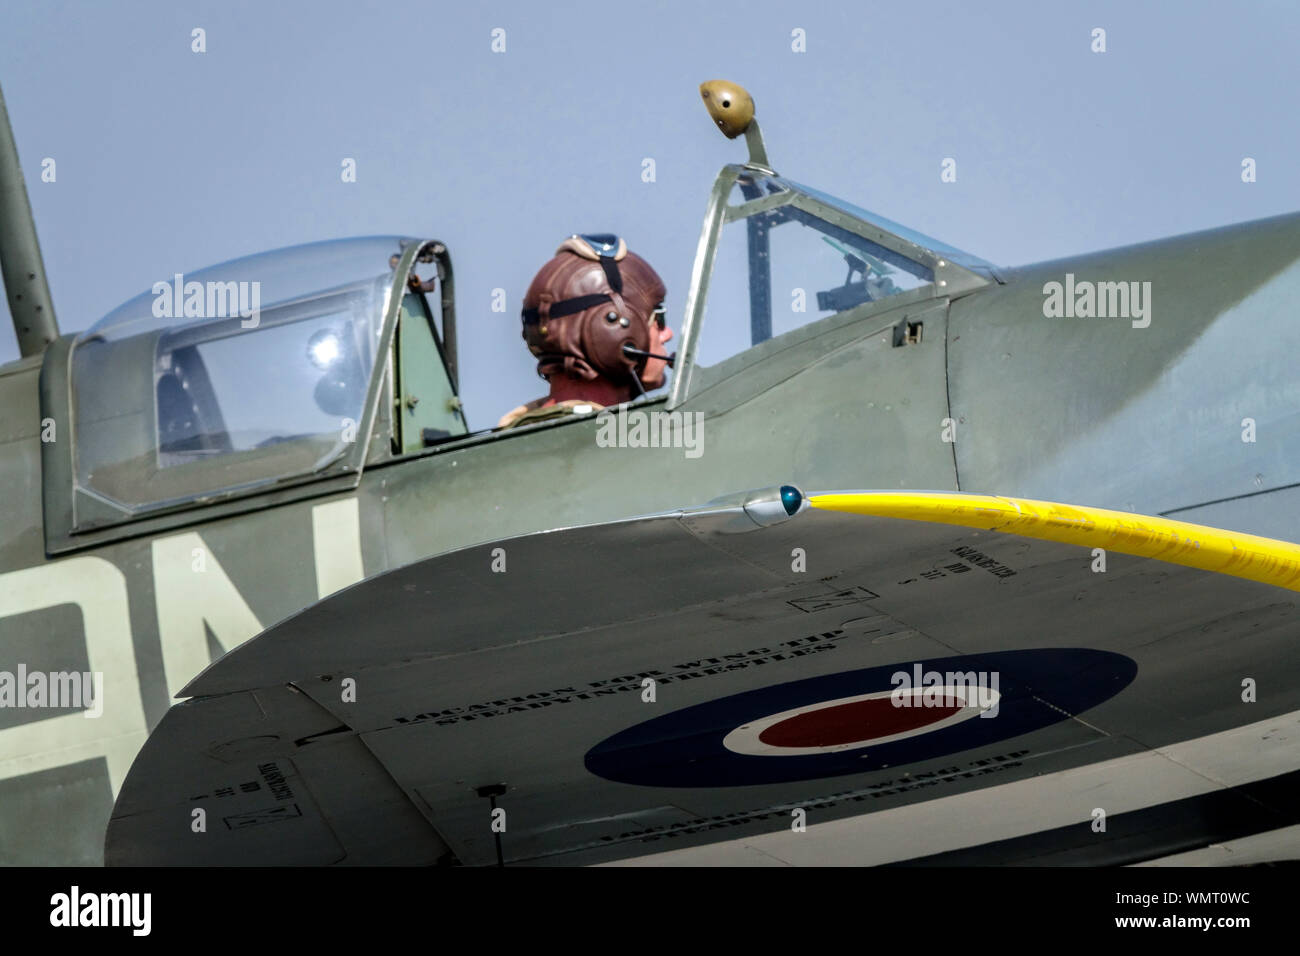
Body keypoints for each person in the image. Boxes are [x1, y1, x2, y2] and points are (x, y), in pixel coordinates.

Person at [497, 234, 673, 429]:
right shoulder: (634, 448)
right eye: (659, 319)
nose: (667, 334)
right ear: (614, 329)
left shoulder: (498, 447)